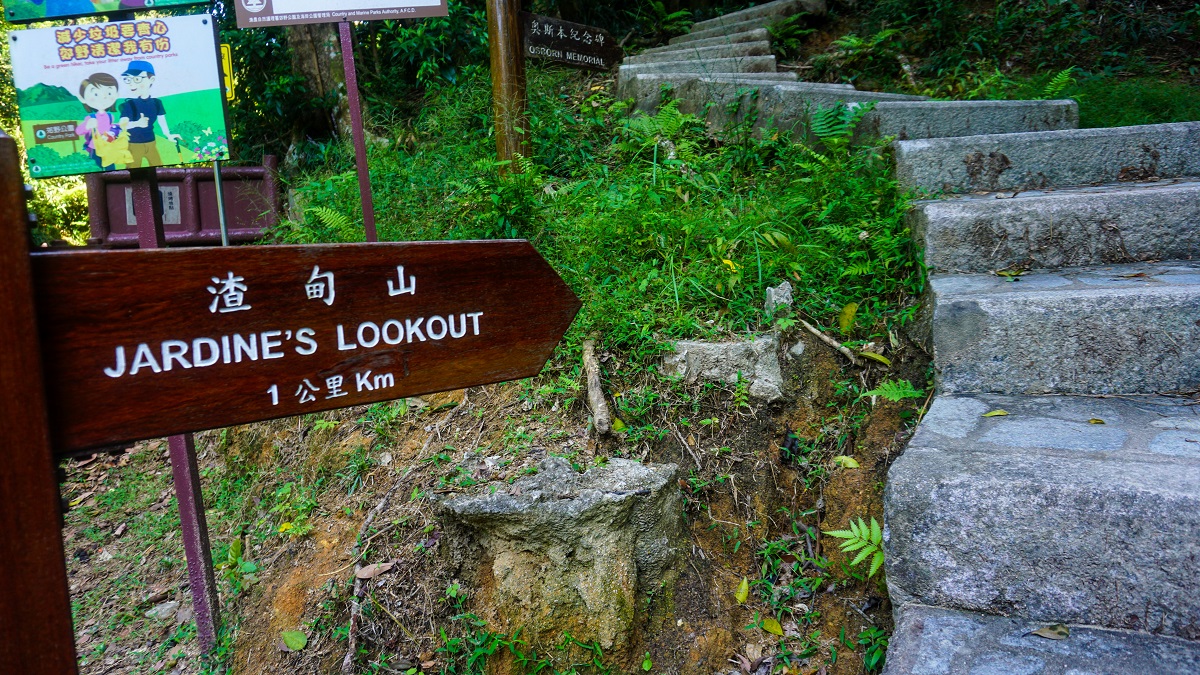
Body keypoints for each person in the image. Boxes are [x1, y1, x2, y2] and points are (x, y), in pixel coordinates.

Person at [118, 61, 182, 168]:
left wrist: (168, 135)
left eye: (137, 79)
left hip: (151, 143)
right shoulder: (130, 104)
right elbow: (122, 124)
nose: (131, 83)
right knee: (133, 172)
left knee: (159, 170)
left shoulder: (157, 103)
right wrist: (137, 123)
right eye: (128, 79)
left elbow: (162, 121)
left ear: (151, 79)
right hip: (134, 144)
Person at [75, 72, 131, 170]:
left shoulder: (110, 116)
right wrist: (87, 125)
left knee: (111, 168)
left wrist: (121, 124)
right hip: (95, 147)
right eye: (96, 94)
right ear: (82, 98)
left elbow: (111, 126)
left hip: (108, 147)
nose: (103, 97)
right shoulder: (91, 117)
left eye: (109, 93)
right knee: (97, 168)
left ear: (116, 95)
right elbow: (79, 131)